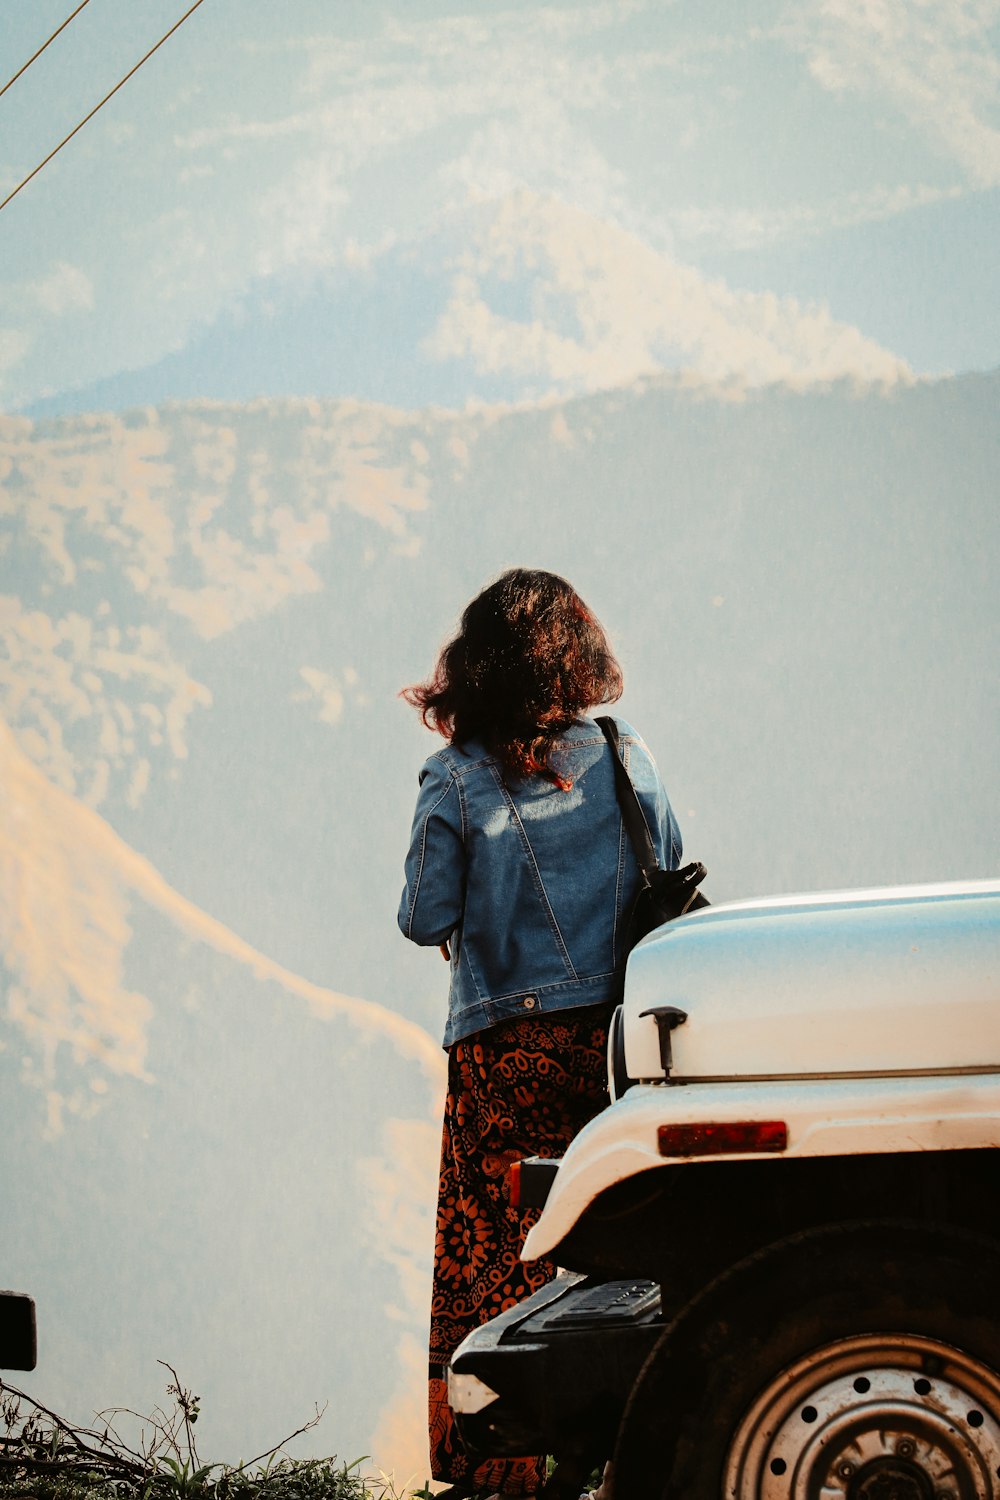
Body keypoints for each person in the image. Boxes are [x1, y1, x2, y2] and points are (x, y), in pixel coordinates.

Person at [398, 568, 682, 1499]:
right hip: (616, 1046)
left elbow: (422, 915)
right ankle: (631, 1456)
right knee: (613, 1245)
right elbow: (671, 865)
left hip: (503, 1055)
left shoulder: (457, 775)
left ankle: (500, 1476)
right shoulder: (624, 750)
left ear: (472, 669)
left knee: (492, 1257)